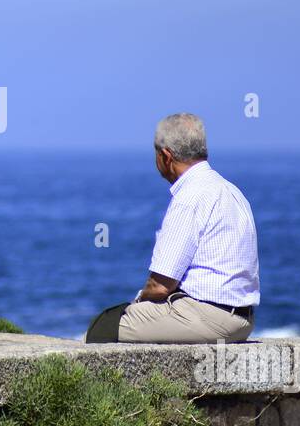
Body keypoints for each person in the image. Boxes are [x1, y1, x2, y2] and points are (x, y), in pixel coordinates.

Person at [86, 113, 260, 344]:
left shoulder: (189, 197)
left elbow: (160, 286)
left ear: (166, 156)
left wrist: (139, 302)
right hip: (242, 320)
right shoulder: (231, 191)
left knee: (103, 326)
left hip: (206, 318)